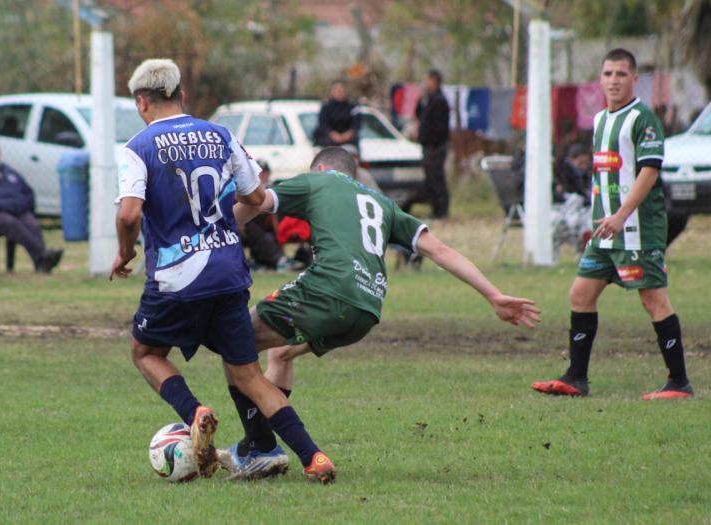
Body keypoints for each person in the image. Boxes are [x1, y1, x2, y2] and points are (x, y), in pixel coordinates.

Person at [223, 146, 541, 479]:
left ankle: (260, 448)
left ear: (320, 168)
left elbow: (256, 203)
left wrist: (215, 232)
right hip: (366, 310)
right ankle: (259, 444)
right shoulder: (383, 203)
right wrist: (493, 295)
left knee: (235, 339)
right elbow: (440, 250)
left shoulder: (318, 182)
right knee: (281, 353)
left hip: (327, 291)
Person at [110, 58, 336, 483]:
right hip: (228, 271)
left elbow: (128, 215)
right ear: (182, 95)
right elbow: (254, 195)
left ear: (142, 102)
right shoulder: (221, 134)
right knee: (249, 374)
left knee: (146, 352)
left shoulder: (137, 147)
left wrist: (125, 253)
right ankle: (313, 456)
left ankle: (195, 412)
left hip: (176, 278)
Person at [532, 49, 694, 400]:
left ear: (635, 79)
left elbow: (648, 171)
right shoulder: (602, 119)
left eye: (621, 74)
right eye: (608, 74)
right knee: (580, 294)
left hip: (635, 228)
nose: (614, 80)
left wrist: (621, 215)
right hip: (606, 232)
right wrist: (603, 218)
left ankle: (679, 382)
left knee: (653, 300)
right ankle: (576, 377)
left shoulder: (644, 118)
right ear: (600, 79)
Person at [0, 138, 63, 273]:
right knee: (12, 224)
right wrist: (9, 205)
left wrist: (24, 207)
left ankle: (40, 263)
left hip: (17, 210)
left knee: (32, 224)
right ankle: (42, 257)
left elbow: (28, 192)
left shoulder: (8, 171)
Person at [240, 161, 288, 271]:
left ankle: (275, 259)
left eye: (264, 172)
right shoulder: (246, 189)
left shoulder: (272, 188)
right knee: (254, 231)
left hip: (267, 222)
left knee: (268, 234)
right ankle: (275, 259)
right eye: (259, 172)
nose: (261, 175)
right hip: (250, 223)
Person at [415, 69, 451, 219]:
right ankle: (435, 208)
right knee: (430, 178)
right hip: (427, 146)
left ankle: (441, 210)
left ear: (434, 81)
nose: (424, 83)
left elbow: (440, 127)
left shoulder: (439, 100)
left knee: (437, 178)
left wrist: (435, 144)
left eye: (427, 80)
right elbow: (419, 115)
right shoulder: (428, 99)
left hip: (436, 147)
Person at [551, 143, 592, 254]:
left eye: (585, 163)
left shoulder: (585, 173)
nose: (583, 166)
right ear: (571, 160)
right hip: (563, 209)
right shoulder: (562, 171)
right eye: (580, 163)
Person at [312, 80, 361, 150]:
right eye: (337, 90)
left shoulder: (353, 106)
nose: (339, 92)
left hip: (348, 140)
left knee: (351, 149)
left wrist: (346, 136)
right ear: (331, 92)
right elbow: (323, 124)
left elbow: (356, 125)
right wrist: (333, 135)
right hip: (327, 139)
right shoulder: (326, 106)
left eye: (342, 90)